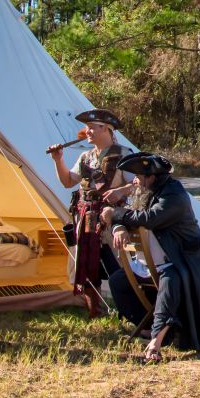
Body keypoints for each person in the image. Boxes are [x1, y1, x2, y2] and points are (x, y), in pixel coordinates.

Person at [104, 152, 200, 362]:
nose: (136, 181)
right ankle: (149, 327)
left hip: (182, 260)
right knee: (118, 282)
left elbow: (150, 218)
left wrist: (115, 215)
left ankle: (156, 340)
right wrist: (117, 228)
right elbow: (127, 214)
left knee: (170, 283)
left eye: (140, 176)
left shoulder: (174, 195)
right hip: (153, 261)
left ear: (152, 177)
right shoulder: (145, 192)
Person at [50, 109, 137, 318]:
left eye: (91, 127)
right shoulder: (85, 157)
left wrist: (120, 191)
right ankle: (94, 311)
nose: (87, 131)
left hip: (111, 219)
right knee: (88, 264)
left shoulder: (124, 155)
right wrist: (57, 160)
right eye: (86, 127)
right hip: (86, 219)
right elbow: (68, 181)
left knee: (117, 265)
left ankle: (130, 310)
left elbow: (139, 183)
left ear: (106, 129)